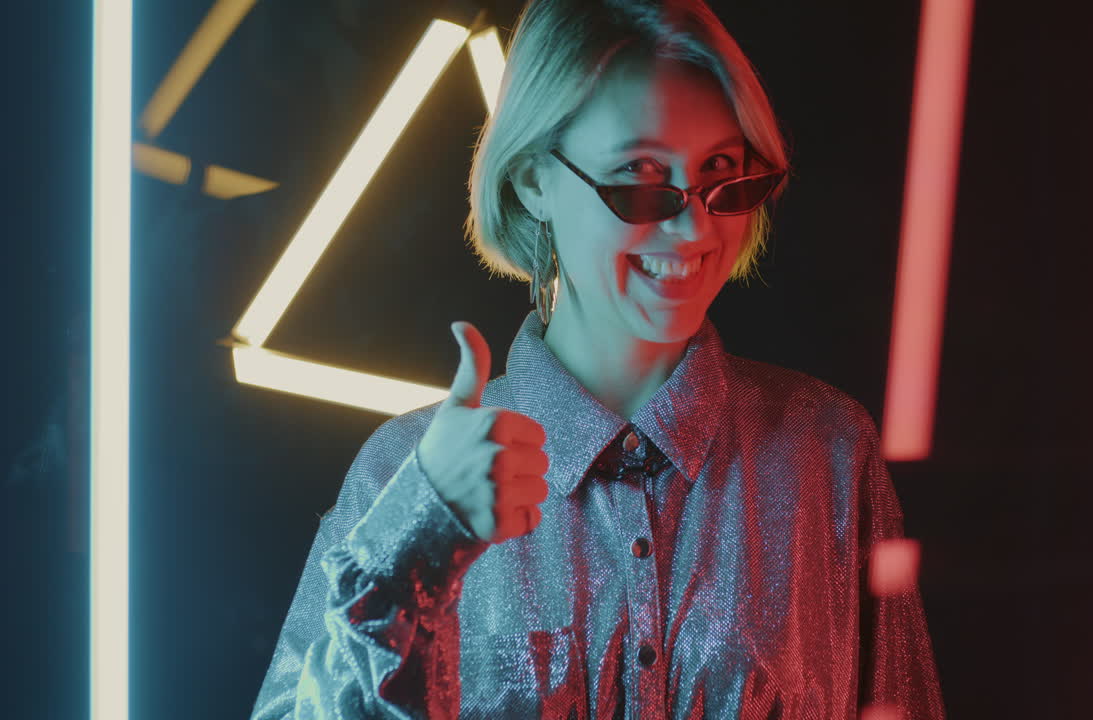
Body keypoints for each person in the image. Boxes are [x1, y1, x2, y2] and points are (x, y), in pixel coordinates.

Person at [250, 0, 944, 717]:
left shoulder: (826, 454)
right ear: (532, 181)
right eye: (641, 178)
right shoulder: (403, 471)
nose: (694, 227)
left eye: (723, 175)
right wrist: (419, 546)